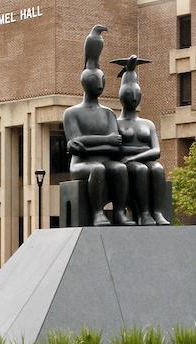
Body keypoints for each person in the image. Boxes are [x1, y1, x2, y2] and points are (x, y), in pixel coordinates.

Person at [62, 24, 134, 226]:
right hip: (82, 165)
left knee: (120, 168)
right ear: (86, 82)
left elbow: (116, 145)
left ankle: (119, 212)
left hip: (103, 160)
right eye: (96, 80)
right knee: (98, 169)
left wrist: (91, 144)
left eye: (102, 80)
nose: (100, 85)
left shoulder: (108, 113)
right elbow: (76, 144)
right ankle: (97, 213)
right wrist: (105, 141)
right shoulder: (72, 113)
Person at [113, 54, 171, 226]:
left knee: (158, 169)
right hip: (129, 165)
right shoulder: (115, 123)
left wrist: (132, 156)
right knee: (140, 170)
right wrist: (135, 156)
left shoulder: (148, 123)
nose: (133, 97)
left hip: (136, 160)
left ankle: (157, 212)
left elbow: (157, 151)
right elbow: (115, 149)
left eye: (136, 93)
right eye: (129, 93)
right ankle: (144, 214)